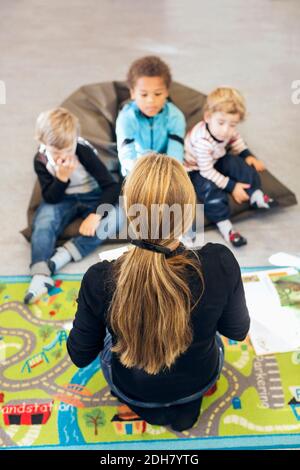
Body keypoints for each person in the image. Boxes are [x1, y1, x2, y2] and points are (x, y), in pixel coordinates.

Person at [67, 153, 250, 432]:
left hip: (133, 388)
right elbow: (236, 331)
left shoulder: (99, 278)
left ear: (128, 212)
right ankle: (184, 407)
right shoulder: (220, 262)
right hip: (199, 379)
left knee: (106, 330)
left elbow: (80, 355)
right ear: (188, 212)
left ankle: (147, 409)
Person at [24, 107, 122, 304]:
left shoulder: (82, 150)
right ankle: (41, 274)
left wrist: (96, 214)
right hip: (63, 199)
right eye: (56, 152)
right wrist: (61, 178)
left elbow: (111, 186)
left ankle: (62, 257)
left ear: (74, 140)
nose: (63, 157)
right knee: (43, 221)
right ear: (42, 143)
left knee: (119, 215)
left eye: (67, 150)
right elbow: (50, 198)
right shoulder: (41, 160)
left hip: (91, 195)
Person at [184, 87, 277, 247]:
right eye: (221, 123)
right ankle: (226, 227)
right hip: (197, 169)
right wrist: (232, 186)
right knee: (209, 190)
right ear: (208, 117)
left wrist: (248, 155)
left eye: (233, 124)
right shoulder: (202, 141)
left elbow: (236, 140)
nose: (226, 130)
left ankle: (255, 195)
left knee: (238, 164)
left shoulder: (228, 131)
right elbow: (207, 171)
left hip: (217, 158)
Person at [116, 55, 186, 177]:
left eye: (158, 94)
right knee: (123, 195)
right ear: (132, 93)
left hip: (164, 171)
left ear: (166, 92)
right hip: (134, 172)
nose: (151, 101)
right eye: (144, 95)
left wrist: (164, 176)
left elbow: (176, 156)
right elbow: (126, 156)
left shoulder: (175, 117)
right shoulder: (126, 118)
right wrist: (143, 177)